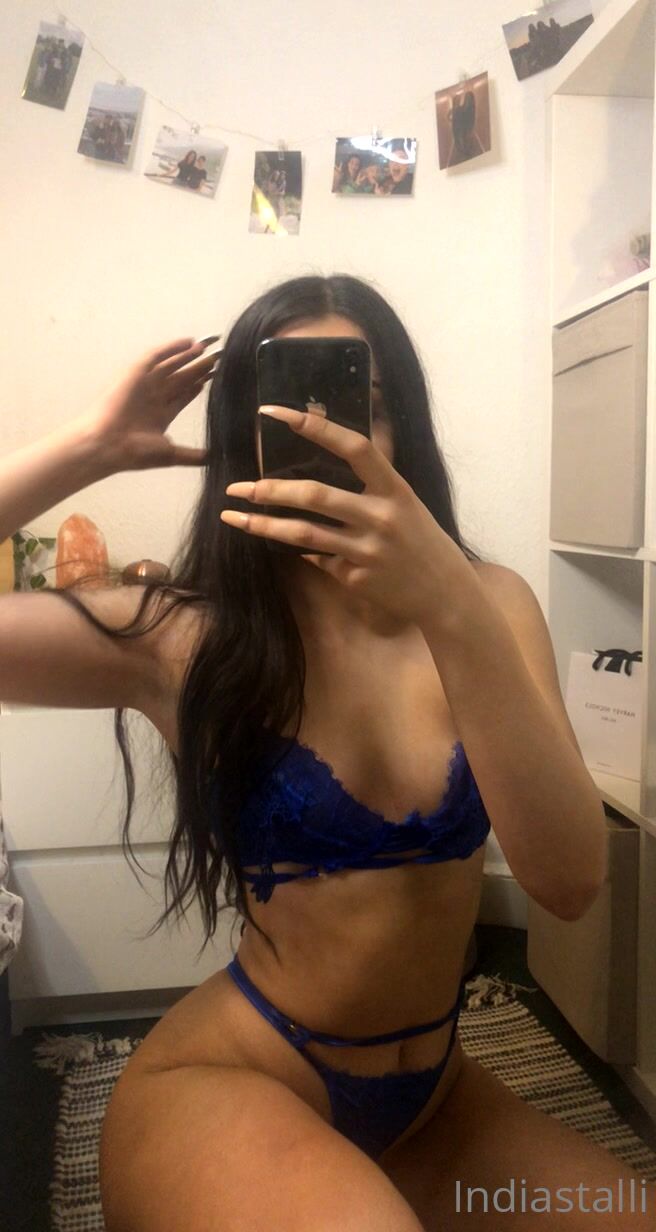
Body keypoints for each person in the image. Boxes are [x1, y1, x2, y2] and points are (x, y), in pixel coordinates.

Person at [1, 274, 647, 1232]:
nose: (328, 436)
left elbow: (569, 880)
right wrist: (90, 447)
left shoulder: (492, 605)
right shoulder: (181, 634)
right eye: (285, 410)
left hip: (435, 1106)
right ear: (242, 441)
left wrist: (450, 605)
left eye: (359, 404)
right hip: (239, 1078)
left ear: (403, 429)